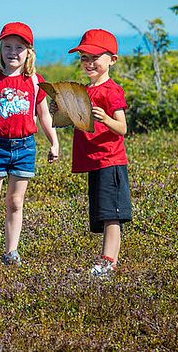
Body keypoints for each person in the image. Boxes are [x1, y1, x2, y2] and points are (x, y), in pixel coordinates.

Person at [0, 21, 60, 271]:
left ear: (29, 52)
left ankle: (11, 252)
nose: (13, 52)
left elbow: (45, 116)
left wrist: (54, 142)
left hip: (25, 147)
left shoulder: (36, 82)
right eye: (7, 47)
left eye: (19, 47)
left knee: (15, 202)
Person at [67, 28, 132, 277]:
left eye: (95, 57)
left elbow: (122, 128)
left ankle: (108, 263)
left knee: (111, 215)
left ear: (112, 59)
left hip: (110, 160)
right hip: (93, 160)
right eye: (84, 57)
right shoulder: (85, 90)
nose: (89, 62)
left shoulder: (112, 91)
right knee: (102, 213)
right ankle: (106, 261)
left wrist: (105, 118)